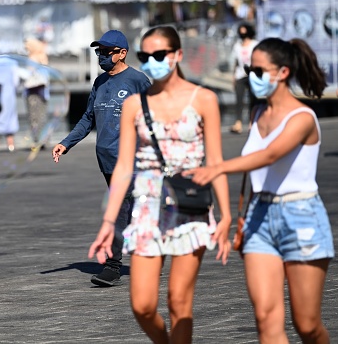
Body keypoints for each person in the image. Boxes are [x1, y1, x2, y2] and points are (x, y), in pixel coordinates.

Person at [88, 25, 232, 342]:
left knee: (179, 303)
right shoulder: (135, 105)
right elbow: (125, 166)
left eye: (159, 54)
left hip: (188, 208)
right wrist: (109, 222)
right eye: (146, 55)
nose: (152, 60)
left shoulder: (204, 99)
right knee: (142, 305)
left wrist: (226, 216)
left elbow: (215, 163)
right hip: (147, 208)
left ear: (178, 55)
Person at [187, 37, 333, 343]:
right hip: (259, 218)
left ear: (282, 72)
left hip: (301, 216)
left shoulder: (303, 118)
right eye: (248, 68)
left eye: (258, 70)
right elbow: (256, 174)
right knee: (265, 318)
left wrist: (218, 167)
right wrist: (239, 216)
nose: (251, 76)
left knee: (306, 325)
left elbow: (270, 155)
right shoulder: (256, 115)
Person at [52, 30, 151, 287]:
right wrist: (66, 143)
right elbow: (88, 119)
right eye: (99, 52)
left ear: (122, 53)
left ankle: (113, 266)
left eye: (107, 52)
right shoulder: (99, 83)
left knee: (119, 208)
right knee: (129, 210)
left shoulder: (137, 81)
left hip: (132, 158)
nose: (102, 56)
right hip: (106, 158)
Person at [230, 22, 258, 134]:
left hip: (252, 74)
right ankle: (238, 122)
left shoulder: (255, 44)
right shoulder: (237, 46)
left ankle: (252, 122)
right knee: (239, 100)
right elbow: (236, 62)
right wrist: (233, 76)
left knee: (252, 99)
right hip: (240, 75)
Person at [22, 37, 51, 148]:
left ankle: (37, 139)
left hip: (33, 90)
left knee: (34, 116)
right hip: (42, 90)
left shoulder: (33, 58)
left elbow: (29, 74)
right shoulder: (42, 56)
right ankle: (43, 139)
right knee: (41, 115)